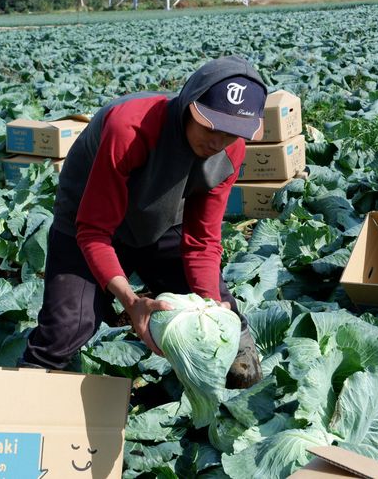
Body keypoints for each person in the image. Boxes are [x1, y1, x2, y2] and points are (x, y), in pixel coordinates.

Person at [20, 55, 265, 389]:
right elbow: (93, 231)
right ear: (189, 103)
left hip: (162, 223)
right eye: (210, 125)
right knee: (68, 327)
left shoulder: (229, 151)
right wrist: (131, 302)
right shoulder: (130, 128)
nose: (217, 142)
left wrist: (212, 310)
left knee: (224, 317)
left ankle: (234, 384)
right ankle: (25, 394)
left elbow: (202, 241)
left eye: (231, 133)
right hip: (87, 221)